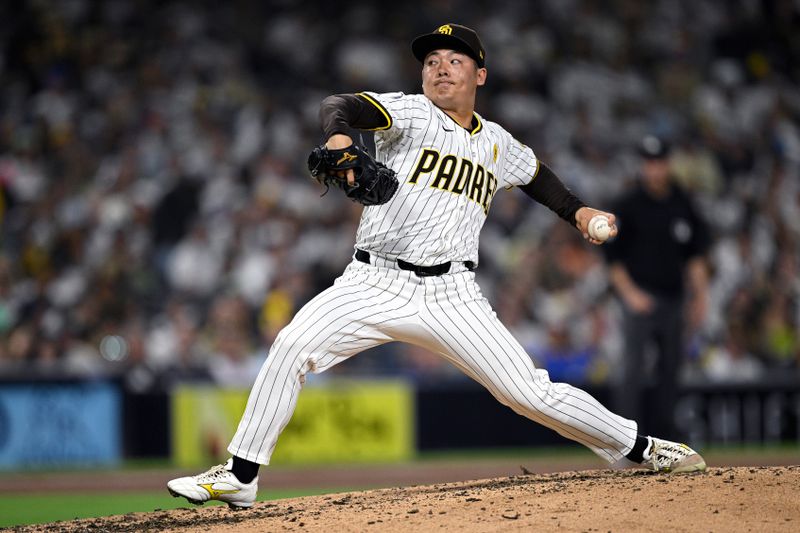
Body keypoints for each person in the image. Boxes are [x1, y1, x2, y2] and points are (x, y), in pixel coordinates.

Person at [168, 24, 706, 510]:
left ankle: (639, 447)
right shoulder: (410, 112)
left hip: (452, 293)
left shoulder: (496, 143)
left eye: (455, 58)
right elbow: (340, 103)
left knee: (529, 394)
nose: (440, 66)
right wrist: (338, 138)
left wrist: (579, 212)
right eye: (431, 60)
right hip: (373, 280)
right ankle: (241, 474)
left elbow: (538, 176)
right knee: (290, 346)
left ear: (481, 74)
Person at [603, 135, 711, 440]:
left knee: (671, 371)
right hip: (638, 298)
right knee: (632, 372)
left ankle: (667, 439)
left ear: (668, 163)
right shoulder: (628, 204)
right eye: (649, 163)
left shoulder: (683, 202)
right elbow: (613, 258)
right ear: (642, 166)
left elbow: (695, 254)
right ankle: (626, 441)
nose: (654, 170)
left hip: (674, 299)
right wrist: (631, 295)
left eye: (659, 162)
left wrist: (701, 296)